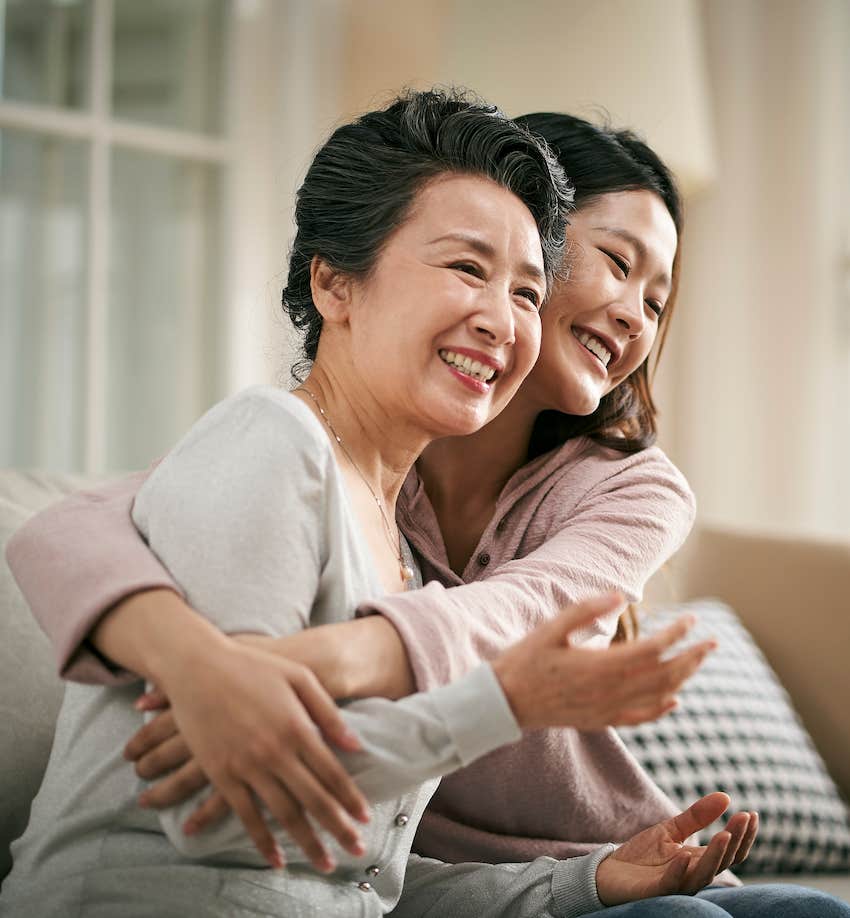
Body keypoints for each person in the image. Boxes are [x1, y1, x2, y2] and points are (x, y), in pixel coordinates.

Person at [11, 102, 847, 917]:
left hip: (555, 862)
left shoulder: (622, 487)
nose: (635, 315)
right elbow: (74, 525)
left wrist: (288, 669)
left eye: (658, 302)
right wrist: (201, 664)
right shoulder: (292, 447)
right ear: (336, 282)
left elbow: (517, 627)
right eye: (617, 264)